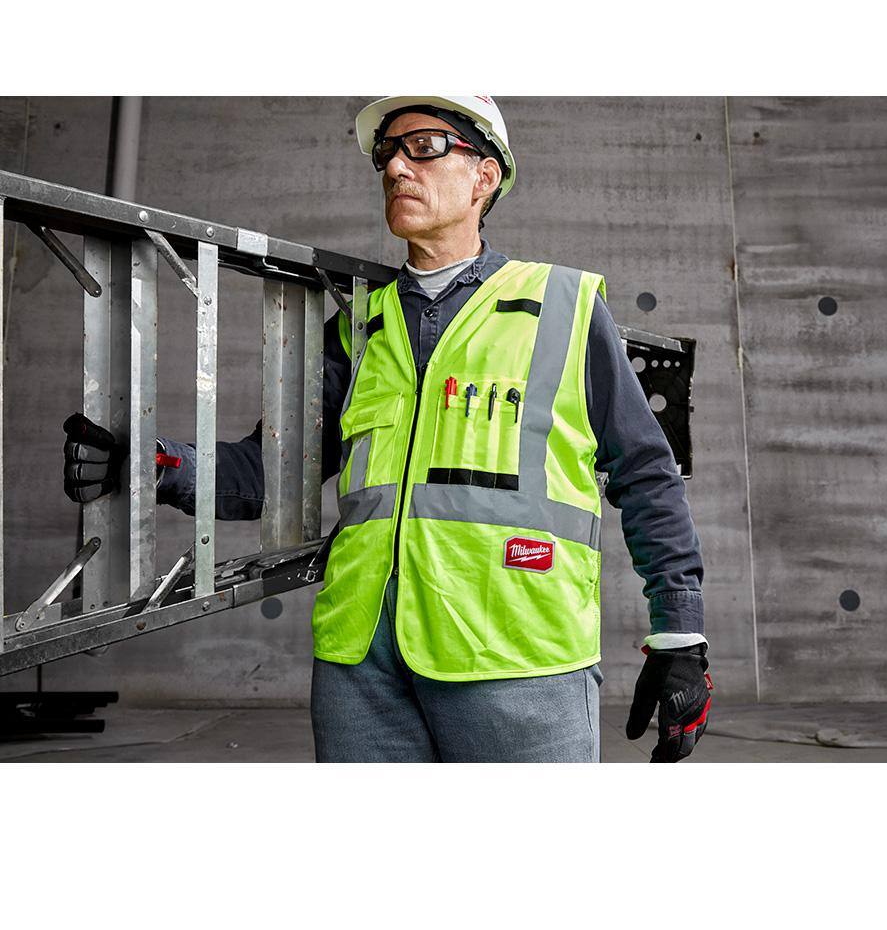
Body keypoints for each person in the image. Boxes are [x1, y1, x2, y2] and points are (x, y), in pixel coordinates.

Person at [63, 95, 712, 763]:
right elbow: (266, 475)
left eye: (424, 147)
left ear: (484, 176)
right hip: (363, 668)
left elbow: (645, 473)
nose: (398, 167)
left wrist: (681, 635)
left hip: (518, 659)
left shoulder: (563, 308)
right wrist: (155, 463)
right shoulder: (357, 328)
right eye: (388, 153)